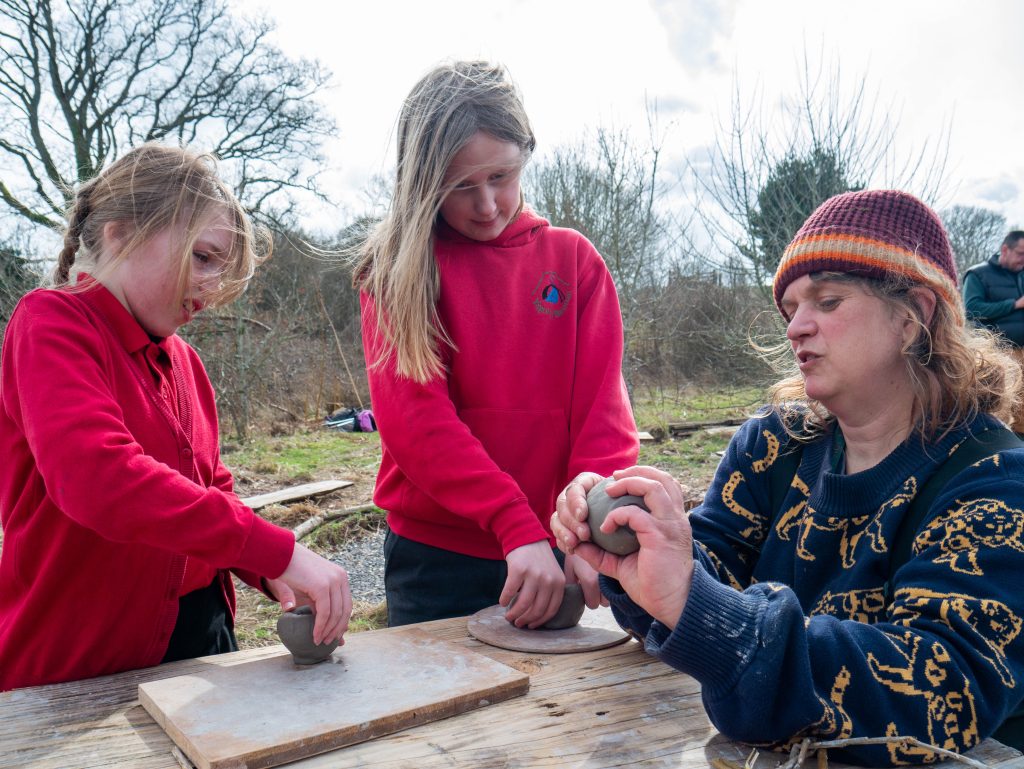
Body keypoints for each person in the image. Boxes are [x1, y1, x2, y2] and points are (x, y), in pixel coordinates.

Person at [552, 190, 1024, 765]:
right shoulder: (775, 446)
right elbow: (710, 573)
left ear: (913, 316)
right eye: (791, 307)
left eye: (827, 300)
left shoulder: (992, 480)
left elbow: (941, 689)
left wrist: (697, 605)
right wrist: (648, 542)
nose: (797, 326)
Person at [0, 144, 352, 691]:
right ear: (120, 234)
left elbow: (214, 491)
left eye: (222, 268)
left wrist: (273, 572)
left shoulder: (184, 360)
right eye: (203, 257)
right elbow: (98, 478)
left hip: (201, 643)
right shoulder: (50, 324)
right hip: (79, 663)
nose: (212, 288)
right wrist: (277, 549)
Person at [354, 61, 638, 629]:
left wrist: (588, 528)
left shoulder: (574, 261)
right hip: (437, 563)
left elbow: (602, 414)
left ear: (525, 155)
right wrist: (513, 524)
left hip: (559, 552)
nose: (486, 205)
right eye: (460, 186)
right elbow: (417, 424)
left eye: (501, 177)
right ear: (422, 183)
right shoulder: (399, 273)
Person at [963, 230, 1024, 432]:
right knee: (1005, 410)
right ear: (1005, 249)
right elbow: (972, 310)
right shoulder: (978, 274)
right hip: (1002, 354)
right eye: (1021, 254)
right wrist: (1014, 304)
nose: (1023, 260)